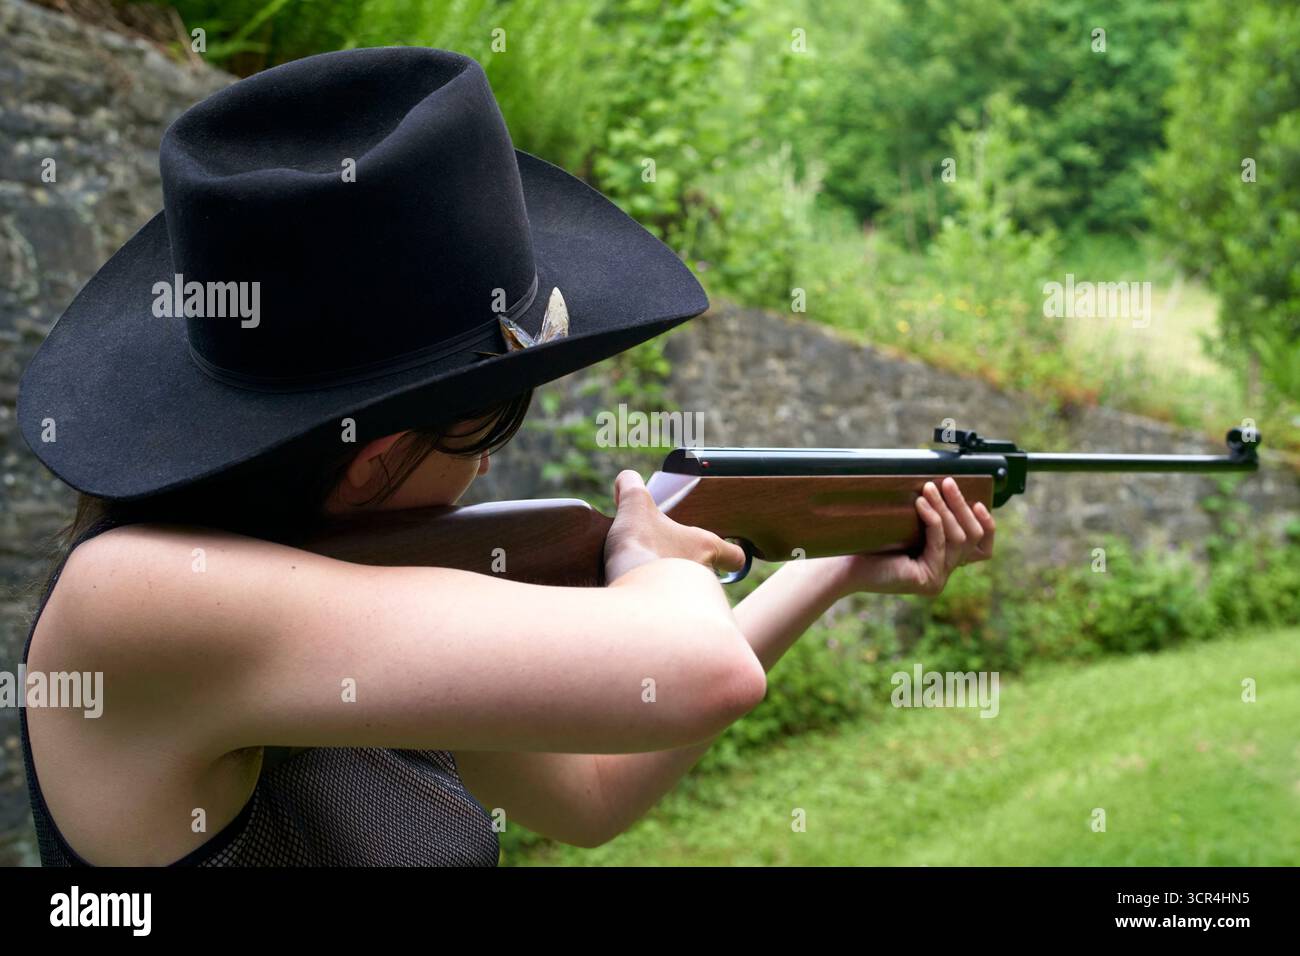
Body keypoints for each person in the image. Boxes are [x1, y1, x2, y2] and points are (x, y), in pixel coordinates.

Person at [16, 47, 994, 866]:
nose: (488, 469)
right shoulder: (136, 598)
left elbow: (591, 792)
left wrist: (834, 562)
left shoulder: (347, 606)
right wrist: (650, 562)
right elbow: (698, 669)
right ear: (376, 457)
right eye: (492, 420)